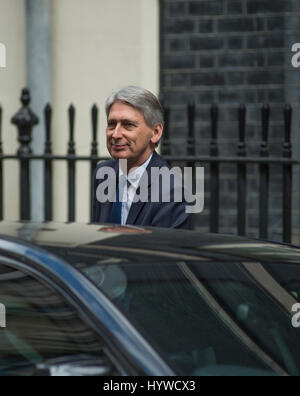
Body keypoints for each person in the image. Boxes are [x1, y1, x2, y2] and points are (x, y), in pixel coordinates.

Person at [92, 86, 190, 229]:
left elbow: (156, 250)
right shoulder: (103, 173)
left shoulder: (172, 192)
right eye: (112, 124)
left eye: (128, 125)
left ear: (156, 132)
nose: (116, 134)